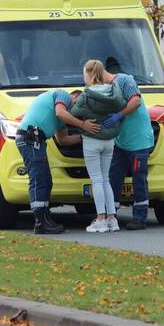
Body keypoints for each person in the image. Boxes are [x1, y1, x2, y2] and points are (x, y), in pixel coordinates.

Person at [17, 90, 99, 235]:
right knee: (39, 179)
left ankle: (44, 218)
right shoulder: (63, 96)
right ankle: (40, 222)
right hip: (31, 137)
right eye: (78, 102)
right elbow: (60, 113)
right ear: (73, 96)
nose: (78, 107)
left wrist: (84, 136)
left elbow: (63, 140)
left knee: (46, 180)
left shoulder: (64, 116)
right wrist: (83, 125)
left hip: (36, 139)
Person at [70, 60, 126, 233]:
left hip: (92, 140)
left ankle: (100, 218)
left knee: (96, 179)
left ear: (88, 74)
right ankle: (112, 219)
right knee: (106, 178)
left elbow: (74, 113)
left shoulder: (87, 95)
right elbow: (122, 105)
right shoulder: (112, 91)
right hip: (109, 141)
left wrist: (84, 121)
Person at [104, 61, 155, 230]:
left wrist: (118, 115)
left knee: (138, 179)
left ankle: (140, 218)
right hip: (122, 142)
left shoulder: (126, 81)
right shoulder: (107, 89)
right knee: (114, 178)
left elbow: (135, 102)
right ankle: (111, 216)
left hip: (138, 142)